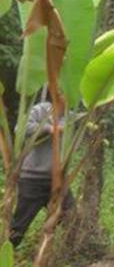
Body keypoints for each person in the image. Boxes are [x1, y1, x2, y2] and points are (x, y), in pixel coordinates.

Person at [10, 101, 75, 247]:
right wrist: (49, 128)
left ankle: (67, 255)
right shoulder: (41, 110)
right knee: (19, 226)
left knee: (72, 218)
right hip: (33, 178)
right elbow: (19, 128)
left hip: (58, 180)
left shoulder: (71, 116)